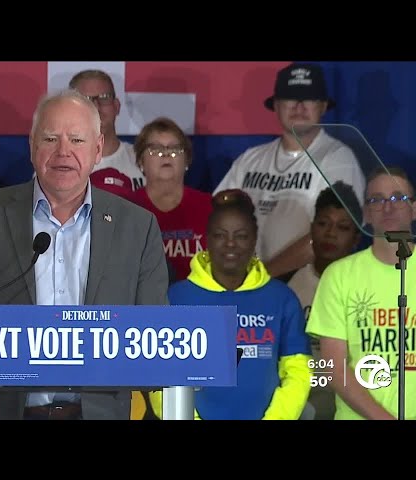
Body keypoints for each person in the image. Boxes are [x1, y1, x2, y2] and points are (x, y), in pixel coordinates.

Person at [0, 88, 168, 420]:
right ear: (32, 146)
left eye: (77, 140)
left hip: (98, 412)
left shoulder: (137, 226)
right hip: (1, 408)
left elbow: (155, 333)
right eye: (51, 138)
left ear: (97, 150)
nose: (64, 152)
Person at [156, 189, 312, 420]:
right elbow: (162, 378)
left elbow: (299, 370)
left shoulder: (281, 299)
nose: (231, 244)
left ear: (254, 239)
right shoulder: (175, 299)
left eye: (241, 235)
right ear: (207, 239)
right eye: (221, 235)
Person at [214, 62, 365, 281]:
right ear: (275, 105)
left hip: (307, 289)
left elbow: (335, 237)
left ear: (322, 107)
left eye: (309, 99)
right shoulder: (250, 159)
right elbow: (216, 218)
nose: (299, 106)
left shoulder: (338, 159)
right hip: (243, 285)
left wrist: (263, 276)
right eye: (291, 98)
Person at [306, 166, 416, 420]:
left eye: (398, 198)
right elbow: (334, 368)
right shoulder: (339, 276)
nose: (388, 207)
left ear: (413, 209)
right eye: (377, 200)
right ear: (366, 214)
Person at [287, 181, 361, 420]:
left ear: (356, 238)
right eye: (323, 224)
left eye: (343, 227)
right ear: (311, 229)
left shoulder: (366, 288)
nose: (330, 233)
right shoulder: (287, 286)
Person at [130, 116, 213, 282]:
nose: (166, 155)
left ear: (187, 160)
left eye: (175, 149)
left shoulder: (210, 207)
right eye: (155, 149)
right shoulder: (127, 208)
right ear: (140, 161)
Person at [69, 69, 145, 191]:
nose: (96, 107)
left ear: (117, 106)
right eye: (86, 100)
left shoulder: (144, 159)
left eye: (104, 97)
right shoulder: (58, 164)